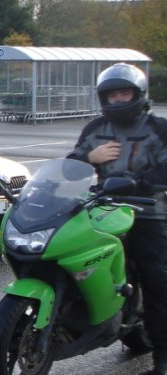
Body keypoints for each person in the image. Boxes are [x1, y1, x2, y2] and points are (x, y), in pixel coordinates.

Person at [67, 63, 167, 375]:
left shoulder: (158, 128)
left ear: (138, 94)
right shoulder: (95, 129)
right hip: (105, 209)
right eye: (113, 95)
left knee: (157, 281)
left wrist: (140, 183)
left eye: (125, 93)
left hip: (148, 211)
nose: (119, 100)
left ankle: (163, 358)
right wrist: (88, 158)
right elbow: (68, 168)